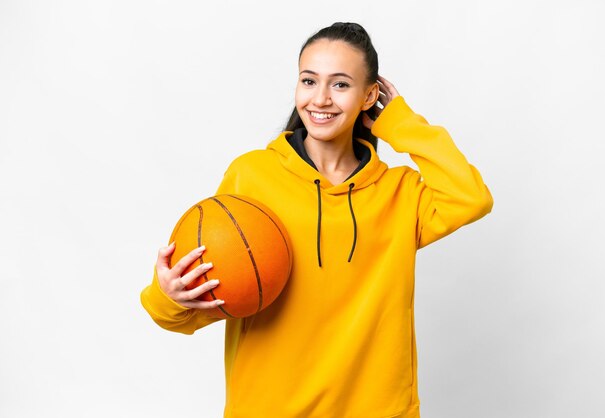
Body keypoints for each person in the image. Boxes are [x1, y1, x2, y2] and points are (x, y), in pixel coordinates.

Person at [140, 22, 493, 418]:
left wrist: (399, 123)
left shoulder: (400, 193)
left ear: (369, 96)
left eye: (340, 85)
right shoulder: (251, 176)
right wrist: (169, 297)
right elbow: (215, 296)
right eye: (309, 81)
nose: (320, 98)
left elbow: (471, 197)